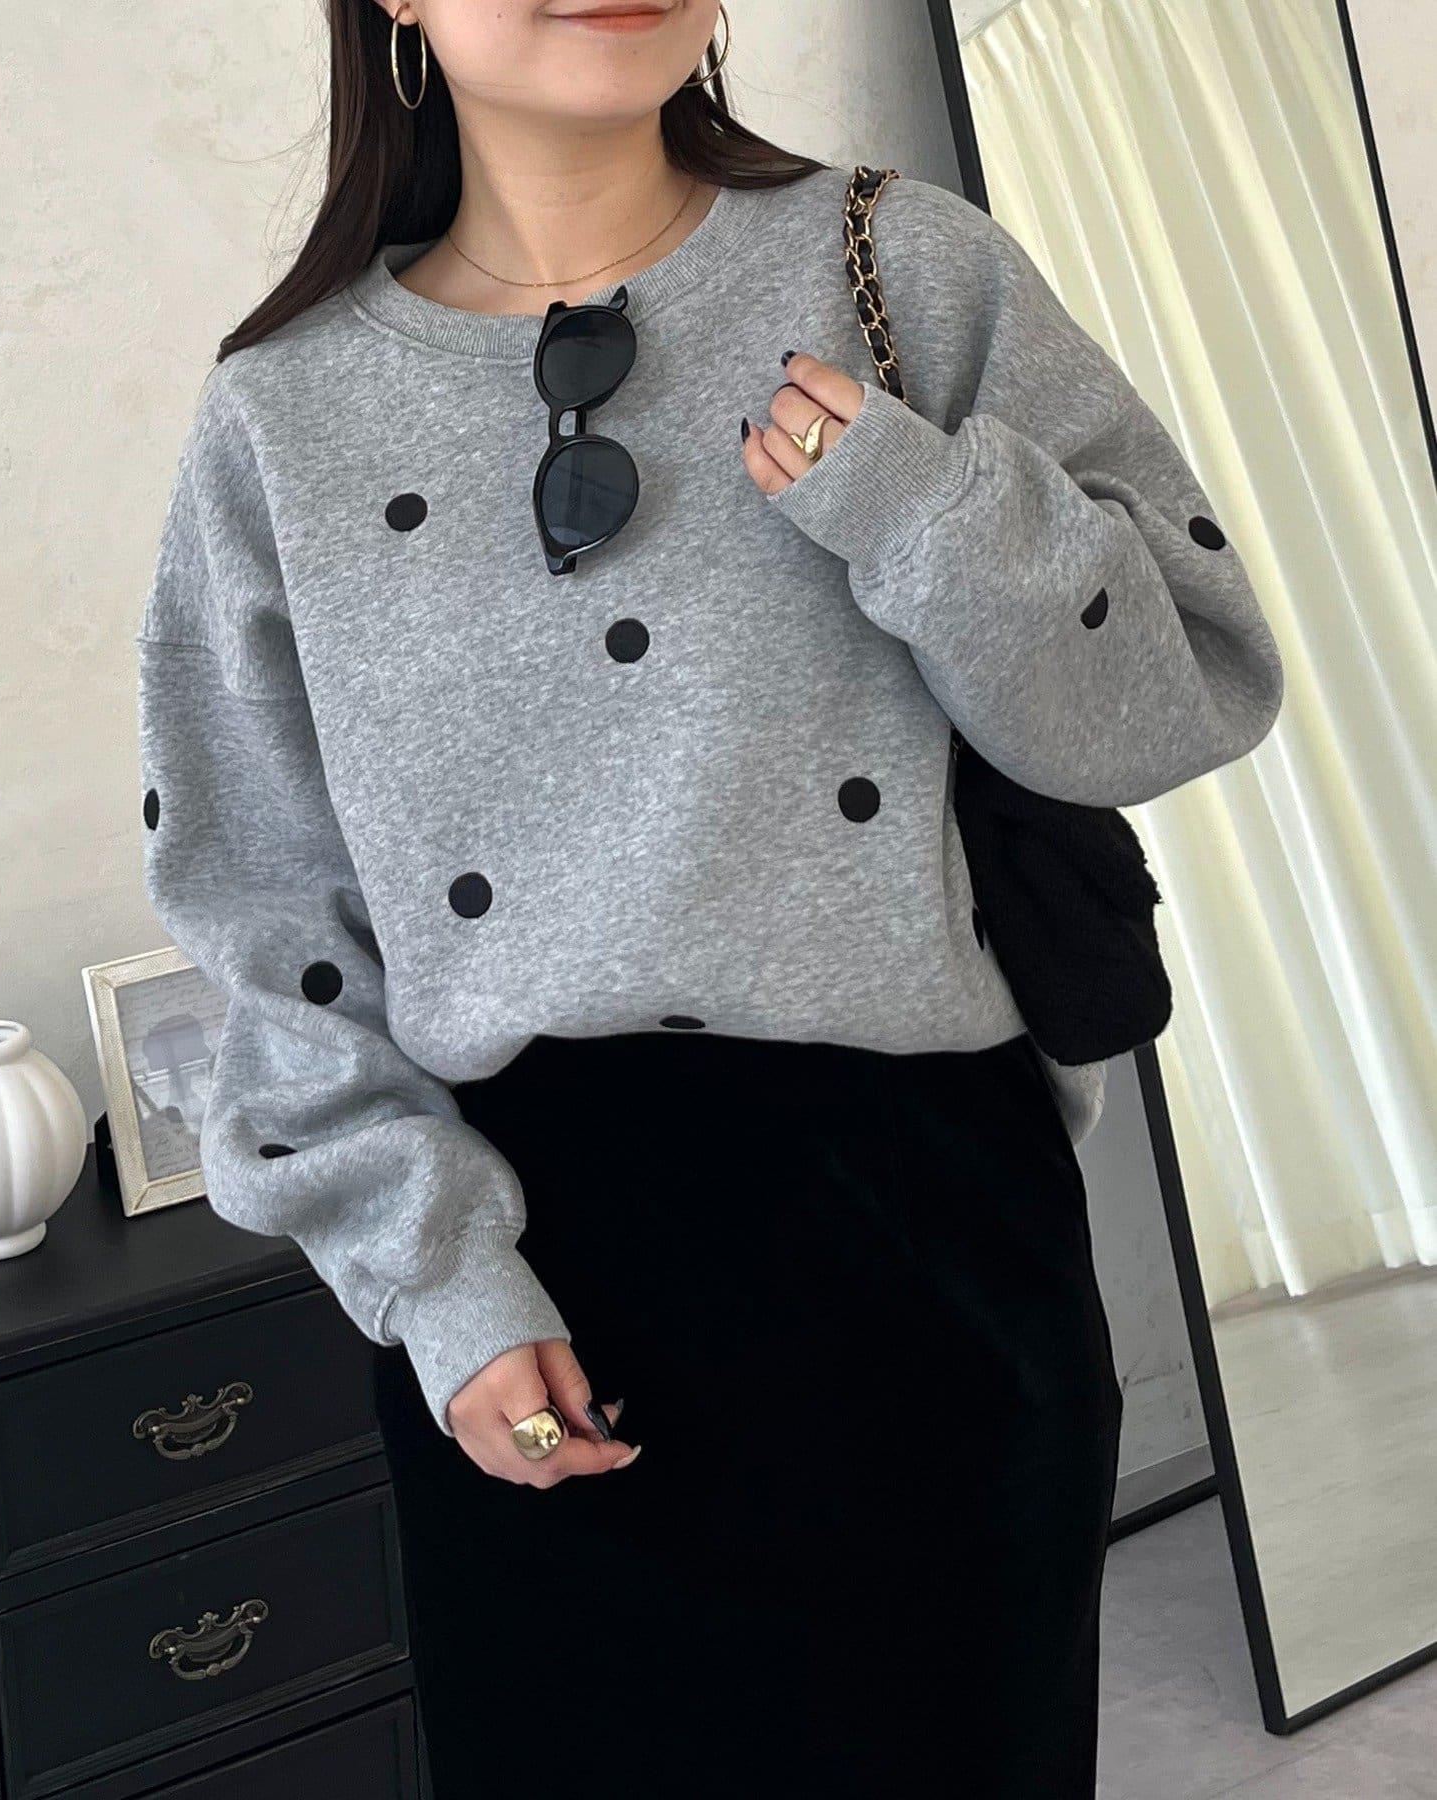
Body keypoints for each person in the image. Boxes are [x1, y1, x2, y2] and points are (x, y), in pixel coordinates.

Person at [135, 2, 1284, 1792]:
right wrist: (442, 1288)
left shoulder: (911, 269)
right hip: (529, 1282)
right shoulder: (284, 415)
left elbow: (1178, 696)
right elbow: (270, 921)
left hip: (929, 1248)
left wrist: (914, 507)